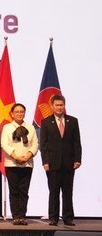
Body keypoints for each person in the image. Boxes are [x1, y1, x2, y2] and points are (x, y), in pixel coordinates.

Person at [40, 95, 82, 226]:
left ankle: (68, 218)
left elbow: (77, 142)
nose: (59, 107)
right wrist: (45, 162)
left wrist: (77, 159)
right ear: (52, 106)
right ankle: (53, 218)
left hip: (69, 162)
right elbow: (44, 144)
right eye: (57, 105)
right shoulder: (46, 122)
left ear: (64, 105)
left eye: (61, 105)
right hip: (53, 163)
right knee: (54, 191)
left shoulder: (73, 121)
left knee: (68, 191)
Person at [1, 103, 39, 225]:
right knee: (14, 191)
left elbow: (35, 144)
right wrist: (16, 157)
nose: (19, 114)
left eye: (21, 111)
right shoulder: (7, 127)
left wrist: (28, 155)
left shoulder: (31, 127)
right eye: (16, 111)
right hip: (12, 163)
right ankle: (15, 216)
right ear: (12, 113)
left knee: (24, 191)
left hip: (27, 163)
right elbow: (4, 144)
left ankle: (23, 216)